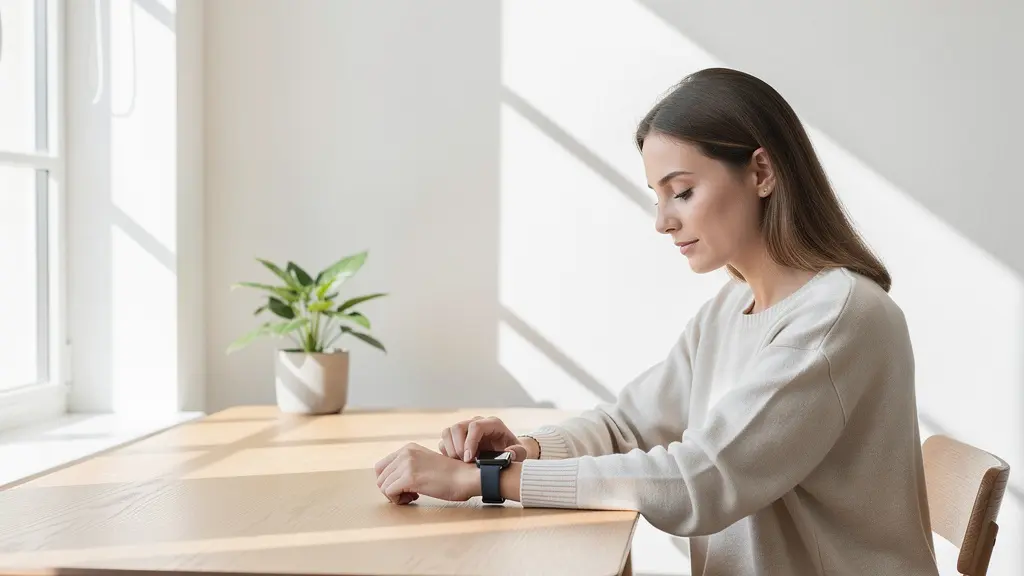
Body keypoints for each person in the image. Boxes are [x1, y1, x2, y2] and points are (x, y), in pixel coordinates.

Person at [373, 67, 939, 576]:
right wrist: (526, 449)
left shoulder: (838, 318)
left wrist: (482, 482)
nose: (663, 222)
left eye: (683, 192)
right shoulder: (728, 311)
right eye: (657, 197)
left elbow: (702, 480)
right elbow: (628, 427)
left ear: (761, 172)